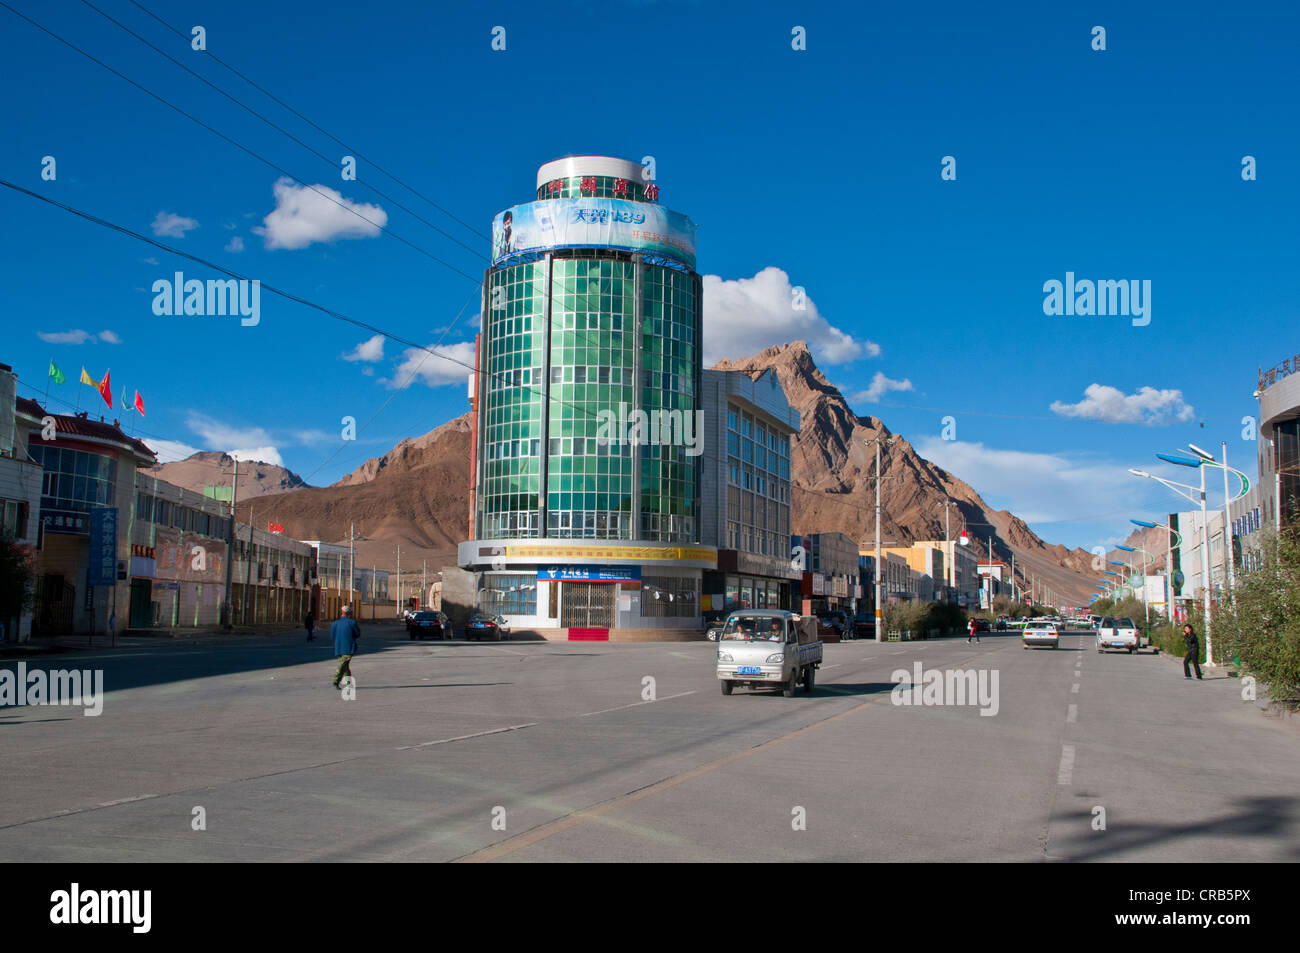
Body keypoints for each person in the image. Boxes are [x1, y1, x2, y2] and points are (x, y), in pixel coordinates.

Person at [331, 604, 361, 690]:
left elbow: (333, 635)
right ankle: (336, 680)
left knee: (345, 665)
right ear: (349, 613)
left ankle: (349, 684)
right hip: (348, 647)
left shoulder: (335, 623)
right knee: (343, 665)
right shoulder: (352, 622)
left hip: (338, 647)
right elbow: (357, 634)